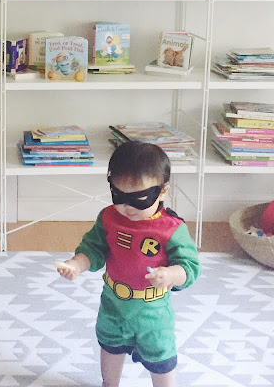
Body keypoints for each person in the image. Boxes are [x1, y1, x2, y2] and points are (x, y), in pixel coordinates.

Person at [57, 140, 200, 387]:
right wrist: (78, 264)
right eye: (119, 196)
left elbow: (190, 267)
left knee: (161, 356)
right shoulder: (109, 218)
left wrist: (170, 275)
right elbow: (93, 247)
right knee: (110, 345)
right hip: (113, 302)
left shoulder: (171, 229)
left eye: (139, 198)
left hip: (153, 310)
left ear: (162, 191)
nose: (127, 207)